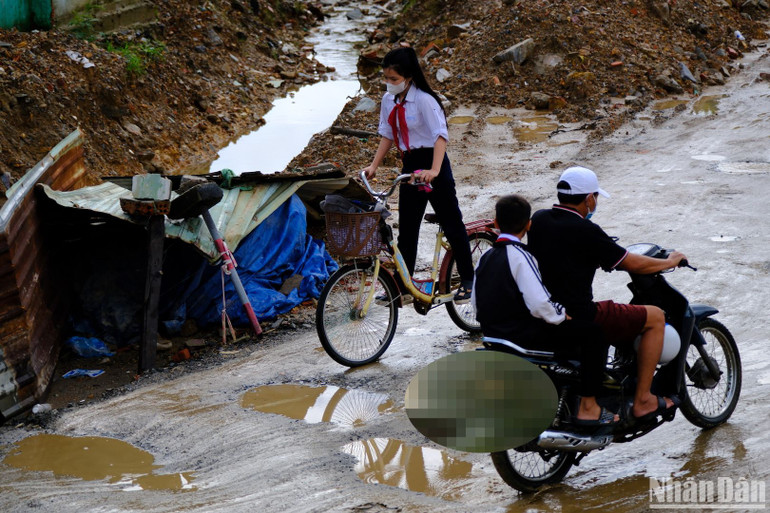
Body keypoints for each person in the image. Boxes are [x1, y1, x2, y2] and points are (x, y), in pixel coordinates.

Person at [527, 166, 687, 422]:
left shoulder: (539, 220)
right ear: (589, 198)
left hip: (546, 309)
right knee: (655, 317)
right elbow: (631, 263)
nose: (595, 203)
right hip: (580, 313)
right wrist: (670, 262)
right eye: (596, 197)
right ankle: (644, 400)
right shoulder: (586, 230)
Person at [473, 194, 617, 425]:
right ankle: (589, 406)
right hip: (522, 337)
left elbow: (476, 304)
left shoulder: (485, 258)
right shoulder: (522, 256)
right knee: (594, 335)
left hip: (492, 337)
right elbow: (540, 305)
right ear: (528, 225)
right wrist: (562, 314)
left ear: (496, 223)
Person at [363, 47, 474, 304]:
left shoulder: (425, 100)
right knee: (408, 229)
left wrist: (435, 171)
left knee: (452, 222)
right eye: (386, 79)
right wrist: (374, 166)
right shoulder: (388, 101)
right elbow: (388, 134)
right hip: (411, 165)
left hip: (433, 162)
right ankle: (404, 285)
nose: (389, 84)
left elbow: (440, 136)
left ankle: (469, 279)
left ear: (409, 76)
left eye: (394, 79)